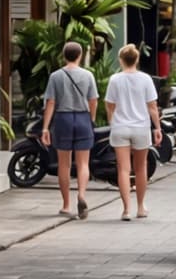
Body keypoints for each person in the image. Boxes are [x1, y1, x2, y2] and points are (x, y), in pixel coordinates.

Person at [41, 41, 100, 221]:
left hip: (62, 119)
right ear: (80, 55)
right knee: (83, 163)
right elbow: (93, 100)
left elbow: (50, 102)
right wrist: (91, 118)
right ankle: (81, 194)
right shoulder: (88, 75)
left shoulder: (55, 76)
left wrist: (45, 127)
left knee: (64, 164)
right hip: (82, 118)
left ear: (64, 55)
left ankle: (66, 205)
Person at [104, 44, 161, 221]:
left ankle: (126, 209)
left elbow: (110, 105)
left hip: (120, 127)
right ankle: (141, 207)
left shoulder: (115, 79)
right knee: (141, 167)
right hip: (141, 127)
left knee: (123, 168)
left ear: (121, 60)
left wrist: (112, 121)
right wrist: (157, 128)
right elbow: (152, 107)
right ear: (136, 59)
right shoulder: (145, 79)